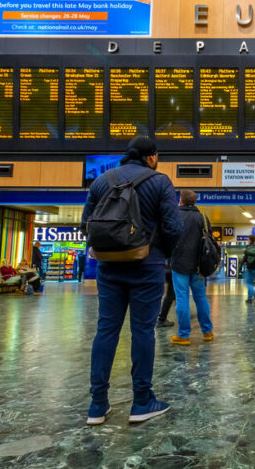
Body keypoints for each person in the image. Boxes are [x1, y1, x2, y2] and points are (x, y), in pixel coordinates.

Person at [81, 136, 184, 426]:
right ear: (151, 157)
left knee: (106, 331)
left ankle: (97, 404)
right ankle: (142, 401)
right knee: (142, 330)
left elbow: (85, 223)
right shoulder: (160, 181)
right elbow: (174, 227)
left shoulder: (102, 180)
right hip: (146, 265)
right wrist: (159, 251)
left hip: (108, 266)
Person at [168, 190, 214, 346]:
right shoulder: (203, 217)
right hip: (199, 266)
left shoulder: (174, 216)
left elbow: (167, 237)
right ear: (195, 202)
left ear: (180, 200)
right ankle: (207, 332)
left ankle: (184, 335)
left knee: (182, 298)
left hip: (179, 264)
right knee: (200, 297)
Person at [240, 235, 255, 303]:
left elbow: (245, 258)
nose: (247, 240)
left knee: (248, 283)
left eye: (248, 239)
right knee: (251, 283)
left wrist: (240, 266)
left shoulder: (248, 247)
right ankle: (249, 298)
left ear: (250, 240)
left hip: (249, 267)